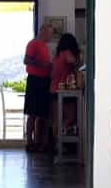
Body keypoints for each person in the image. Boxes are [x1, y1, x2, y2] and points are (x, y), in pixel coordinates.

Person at [23, 22, 53, 152]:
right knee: (33, 114)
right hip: (35, 81)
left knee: (44, 114)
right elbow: (26, 60)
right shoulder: (33, 44)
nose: (50, 36)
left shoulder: (44, 46)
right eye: (49, 33)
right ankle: (30, 143)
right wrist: (43, 65)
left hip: (44, 82)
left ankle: (41, 144)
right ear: (42, 31)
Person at [50, 32, 81, 135]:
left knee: (56, 119)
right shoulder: (67, 53)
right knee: (70, 117)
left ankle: (56, 141)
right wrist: (79, 53)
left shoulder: (57, 55)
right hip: (64, 89)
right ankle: (63, 137)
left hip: (53, 89)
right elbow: (75, 62)